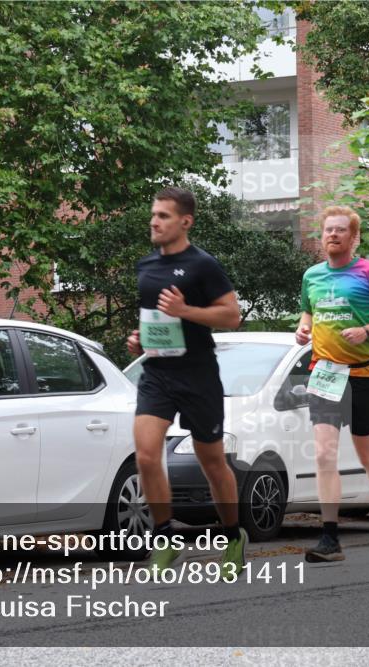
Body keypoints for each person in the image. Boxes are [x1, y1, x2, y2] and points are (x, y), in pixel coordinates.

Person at [126, 187, 246, 580]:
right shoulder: (146, 265)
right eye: (153, 215)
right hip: (158, 374)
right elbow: (156, 319)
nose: (154, 222)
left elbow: (231, 316)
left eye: (162, 215)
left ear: (185, 221)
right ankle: (164, 535)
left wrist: (185, 310)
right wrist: (140, 339)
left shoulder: (202, 265)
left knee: (212, 462)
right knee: (145, 454)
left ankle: (232, 536)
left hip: (198, 375)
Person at [296, 206, 369, 563]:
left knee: (366, 453)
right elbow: (308, 312)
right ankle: (330, 538)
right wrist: (303, 327)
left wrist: (367, 330)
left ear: (354, 237)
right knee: (324, 453)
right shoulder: (312, 276)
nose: (332, 235)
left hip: (363, 374)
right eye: (328, 229)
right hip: (325, 374)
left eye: (340, 230)